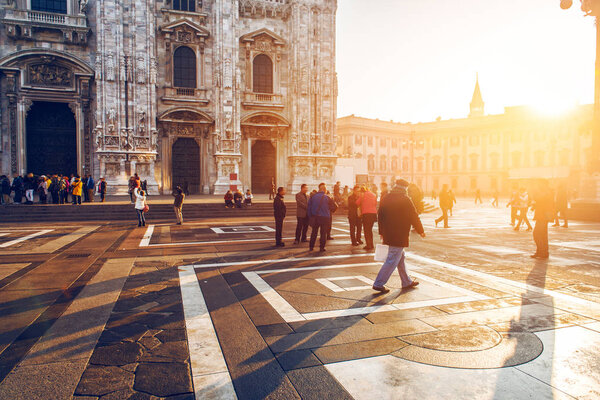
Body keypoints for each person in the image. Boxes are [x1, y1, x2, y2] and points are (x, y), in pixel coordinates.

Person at [373, 179, 426, 293]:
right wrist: (420, 230)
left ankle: (406, 281)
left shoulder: (386, 197)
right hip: (399, 234)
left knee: (400, 258)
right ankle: (378, 283)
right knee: (392, 259)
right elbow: (414, 216)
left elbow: (380, 215)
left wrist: (381, 231)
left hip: (388, 233)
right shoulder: (405, 199)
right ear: (404, 188)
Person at [530, 180, 553, 259]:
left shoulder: (547, 191)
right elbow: (540, 201)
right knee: (542, 235)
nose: (538, 185)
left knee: (536, 234)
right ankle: (542, 252)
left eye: (539, 184)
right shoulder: (546, 191)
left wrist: (534, 193)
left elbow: (539, 198)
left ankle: (542, 252)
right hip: (541, 215)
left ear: (543, 184)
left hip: (543, 216)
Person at [308, 183, 333, 252]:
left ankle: (311, 247)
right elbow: (334, 206)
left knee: (314, 232)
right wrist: (329, 211)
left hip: (315, 217)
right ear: (324, 189)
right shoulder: (327, 197)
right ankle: (322, 247)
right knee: (323, 233)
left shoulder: (313, 197)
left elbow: (309, 207)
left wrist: (310, 216)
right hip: (325, 217)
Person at [357, 186, 377, 251]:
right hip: (373, 214)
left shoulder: (362, 195)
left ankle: (368, 245)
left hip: (366, 214)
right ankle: (371, 244)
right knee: (370, 230)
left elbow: (357, 203)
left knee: (366, 230)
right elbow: (375, 203)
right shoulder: (373, 194)